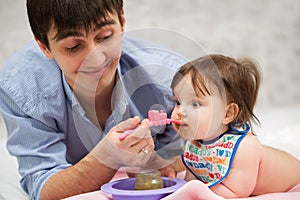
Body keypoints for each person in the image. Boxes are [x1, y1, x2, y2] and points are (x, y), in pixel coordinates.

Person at [0, 0, 186, 199]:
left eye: (105, 37)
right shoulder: (22, 89)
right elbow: (43, 186)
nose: (96, 60)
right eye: (73, 47)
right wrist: (106, 158)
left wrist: (168, 159)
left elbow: (204, 147)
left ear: (122, 21)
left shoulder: (170, 81)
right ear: (43, 46)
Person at [170, 54, 300, 198]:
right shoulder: (194, 143)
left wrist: (194, 191)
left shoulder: (244, 148)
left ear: (228, 114)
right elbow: (193, 177)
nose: (180, 112)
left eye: (195, 104)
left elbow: (235, 192)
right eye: (178, 102)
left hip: (294, 184)